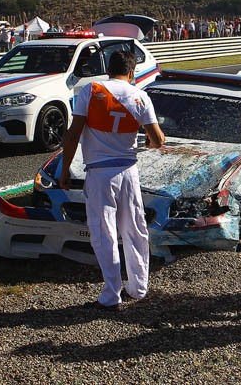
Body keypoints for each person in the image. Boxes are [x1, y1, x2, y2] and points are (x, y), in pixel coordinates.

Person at [59, 50, 165, 311]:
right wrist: (149, 140)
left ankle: (111, 295)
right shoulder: (141, 96)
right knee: (135, 230)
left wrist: (65, 169)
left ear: (108, 69)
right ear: (132, 72)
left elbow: (73, 135)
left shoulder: (91, 90)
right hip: (128, 172)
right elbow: (158, 140)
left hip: (100, 174)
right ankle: (138, 287)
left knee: (103, 232)